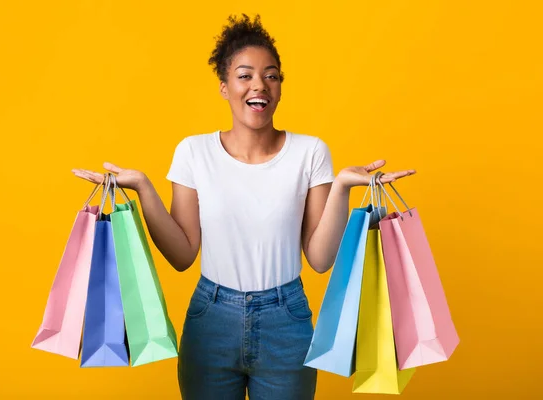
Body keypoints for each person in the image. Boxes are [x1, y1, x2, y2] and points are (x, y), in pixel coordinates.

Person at [72, 13, 415, 400]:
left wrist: (341, 189)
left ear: (280, 88)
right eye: (245, 75)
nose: (260, 85)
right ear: (224, 87)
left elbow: (320, 259)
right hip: (211, 317)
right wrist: (142, 189)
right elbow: (182, 254)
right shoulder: (193, 152)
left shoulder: (311, 152)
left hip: (287, 320)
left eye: (271, 75)